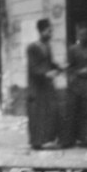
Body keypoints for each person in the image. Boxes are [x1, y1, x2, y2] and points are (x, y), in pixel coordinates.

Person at [26, 18, 62, 150]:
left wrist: (59, 67)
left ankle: (47, 140)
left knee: (51, 111)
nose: (50, 34)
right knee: (38, 114)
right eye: (48, 31)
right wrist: (46, 74)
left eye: (51, 31)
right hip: (37, 86)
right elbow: (33, 68)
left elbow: (50, 63)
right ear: (41, 31)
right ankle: (37, 142)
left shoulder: (47, 46)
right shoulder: (32, 47)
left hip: (47, 86)